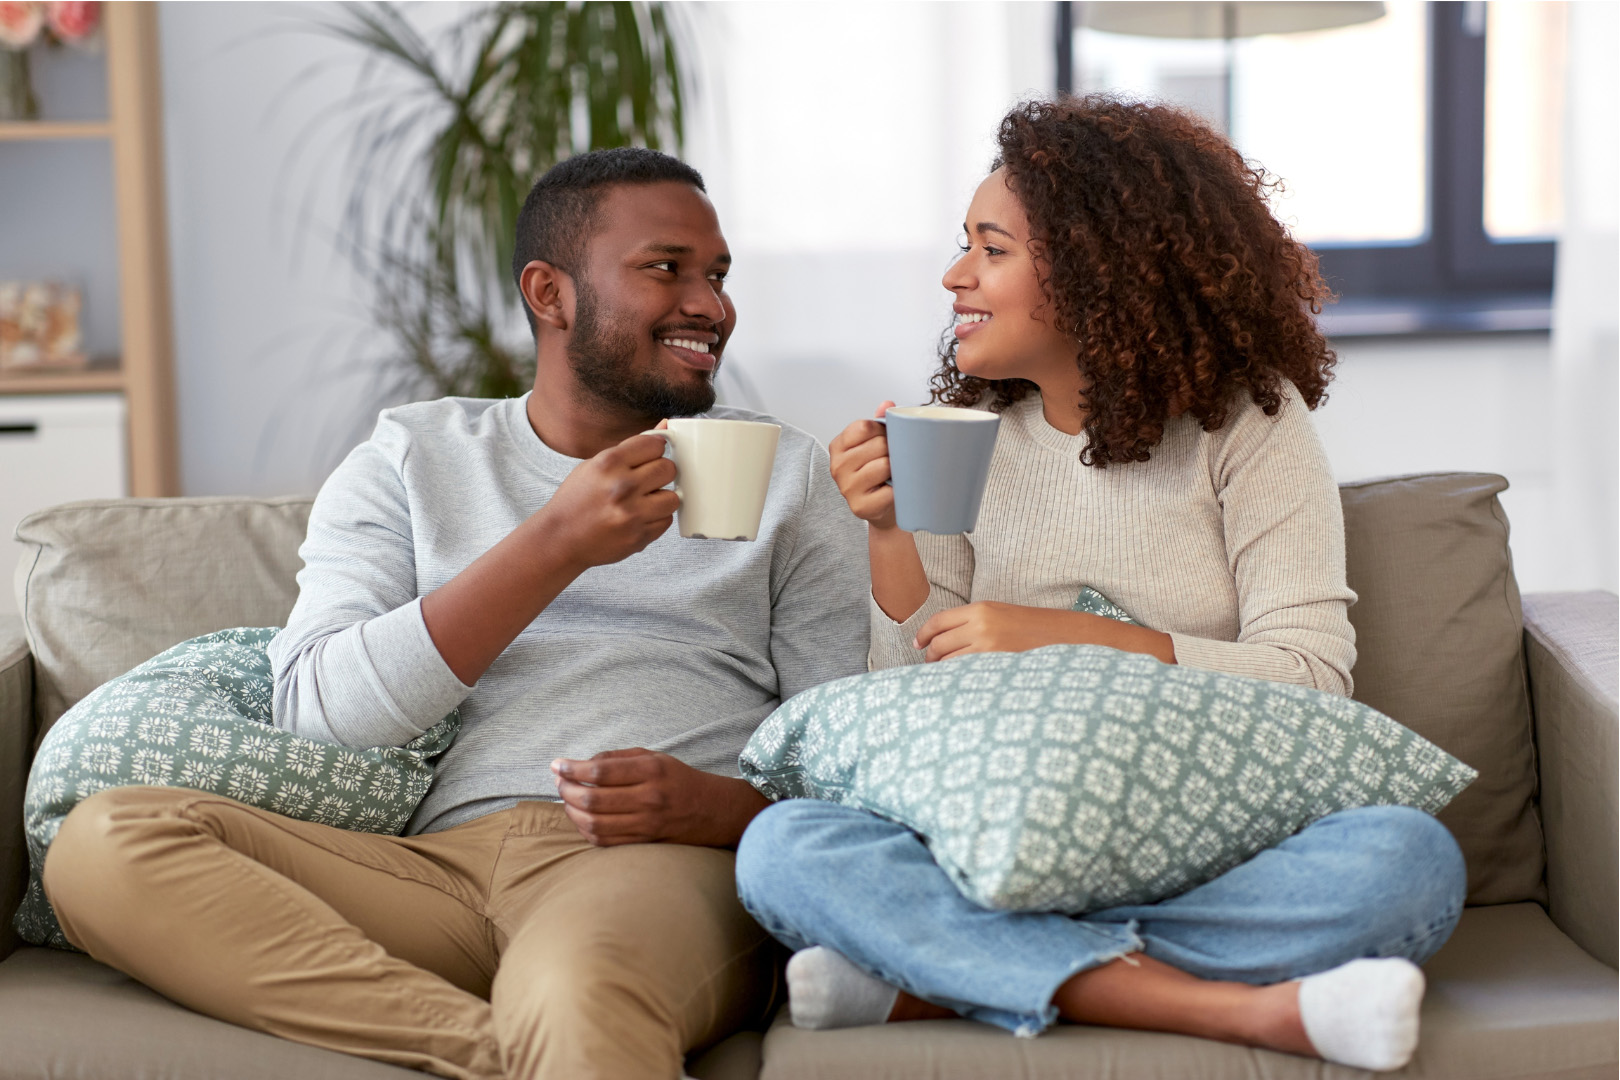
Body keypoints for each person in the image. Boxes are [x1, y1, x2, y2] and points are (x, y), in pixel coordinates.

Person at [42, 148, 870, 1080]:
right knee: (103, 844)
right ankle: (499, 1058)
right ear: (549, 293)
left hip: (654, 860)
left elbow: (844, 768)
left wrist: (715, 808)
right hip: (434, 870)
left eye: (716, 277)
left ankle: (542, 1038)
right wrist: (553, 542)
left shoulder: (789, 477)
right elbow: (322, 714)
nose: (711, 306)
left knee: (576, 990)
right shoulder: (410, 457)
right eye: (665, 268)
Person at [734, 97, 1466, 1073]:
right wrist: (887, 532)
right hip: (1004, 845)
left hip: (1211, 850)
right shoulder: (957, 443)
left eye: (990, 250)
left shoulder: (1250, 426)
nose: (955, 278)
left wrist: (1061, 636)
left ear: (1095, 272)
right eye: (964, 248)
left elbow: (1312, 678)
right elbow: (916, 703)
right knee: (786, 847)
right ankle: (1236, 1012)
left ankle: (947, 977)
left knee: (1408, 865)